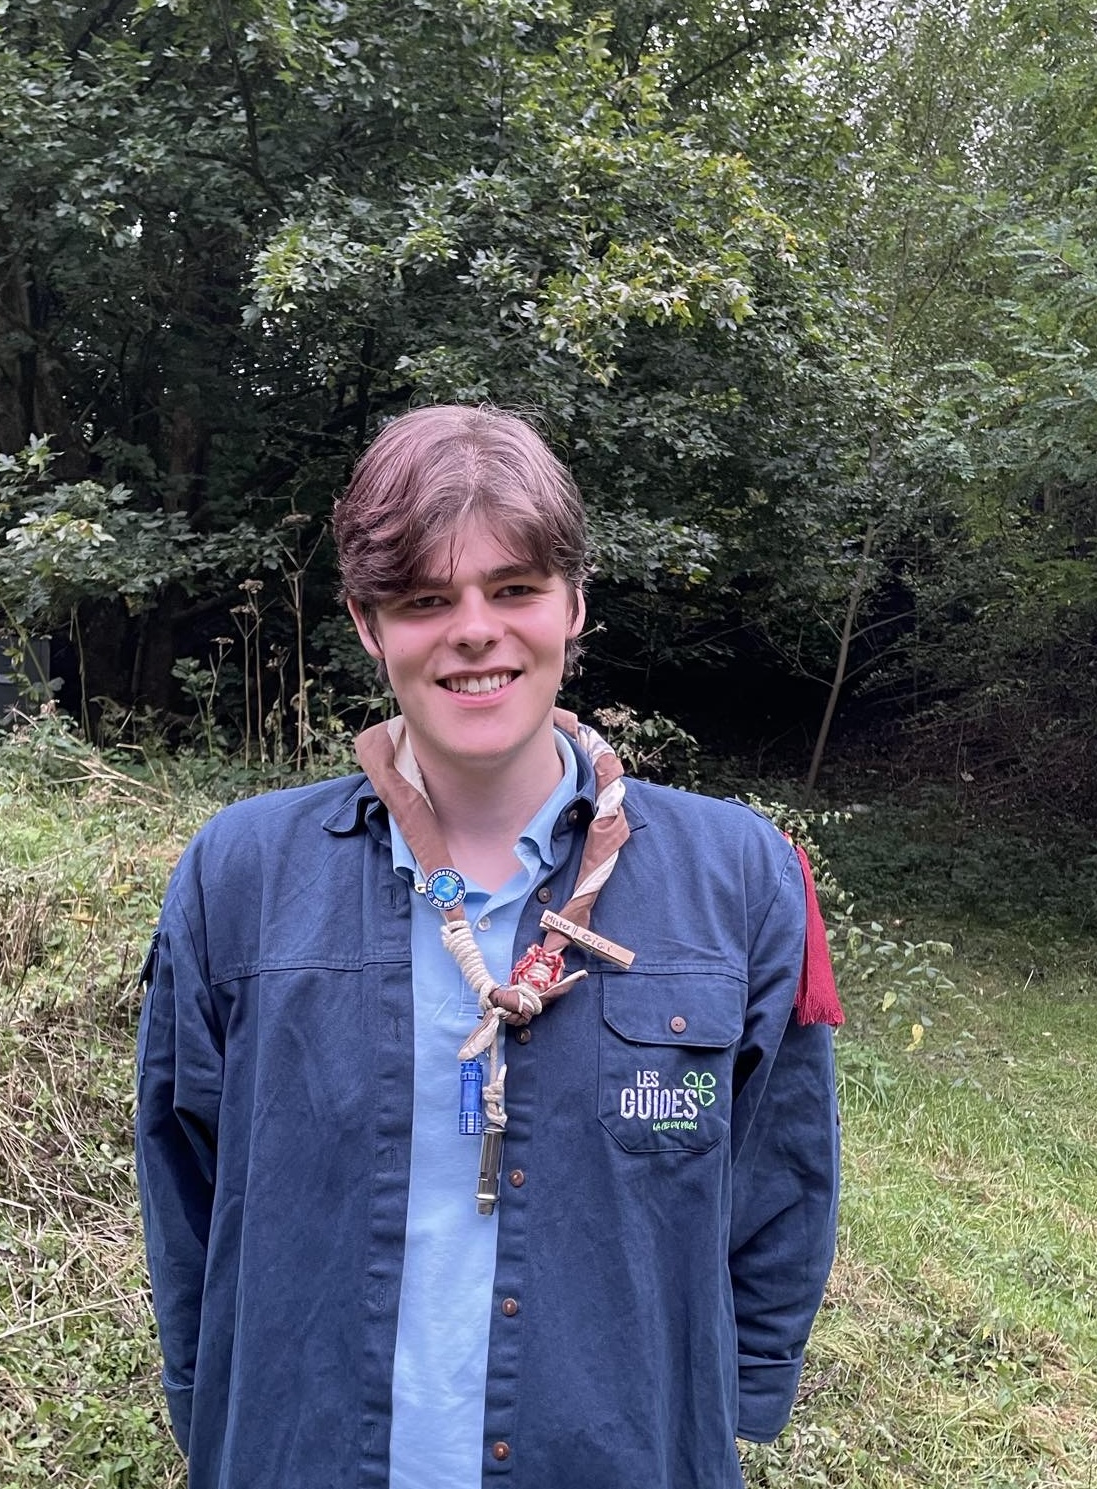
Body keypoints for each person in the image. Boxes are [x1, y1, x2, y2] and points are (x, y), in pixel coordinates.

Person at [135, 405, 842, 1489]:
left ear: (574, 603)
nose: (475, 631)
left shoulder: (740, 879)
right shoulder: (239, 876)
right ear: (368, 623)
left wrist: (730, 1397)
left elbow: (782, 1176)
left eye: (514, 588)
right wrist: (210, 1399)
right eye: (426, 599)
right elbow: (185, 1186)